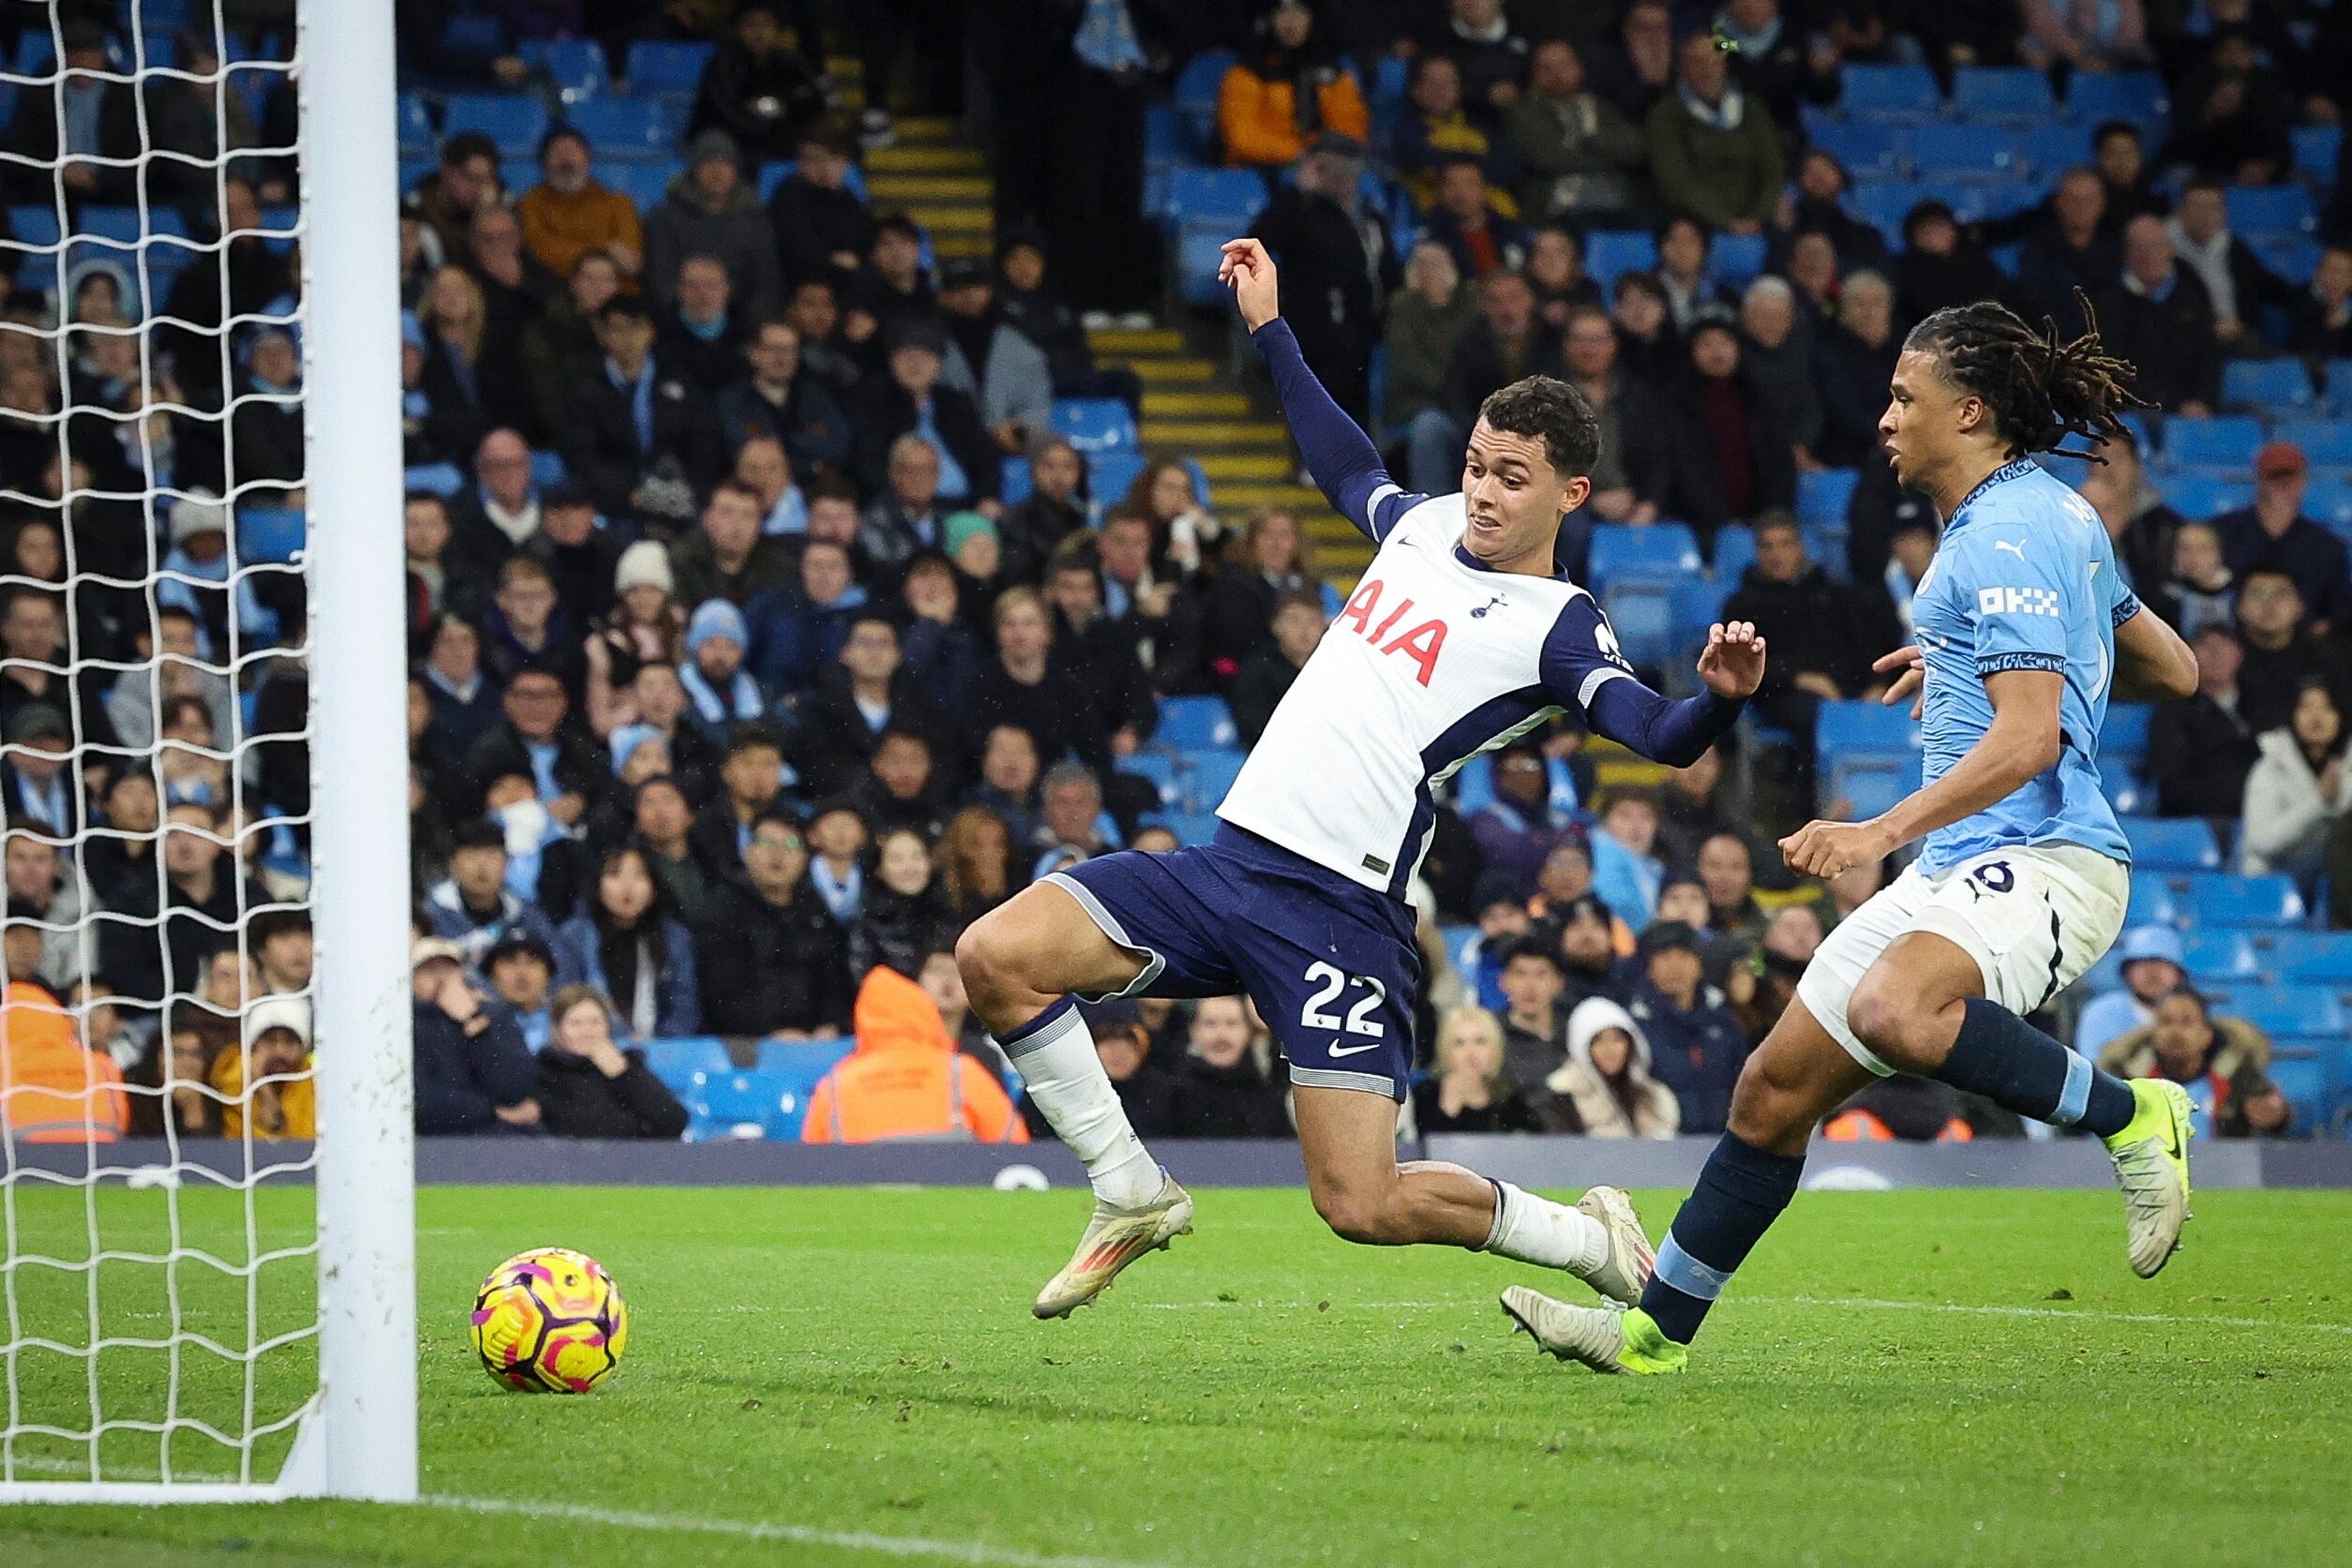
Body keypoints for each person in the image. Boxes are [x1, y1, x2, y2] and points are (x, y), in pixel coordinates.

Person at [955, 235, 1764, 1320]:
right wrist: (1268, 328)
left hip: (1338, 910)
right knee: (995, 954)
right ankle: (1130, 1188)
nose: (1479, 490)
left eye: (1509, 477)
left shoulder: (1560, 628)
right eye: (1475, 462)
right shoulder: (1423, 526)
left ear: (1570, 491)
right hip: (1229, 864)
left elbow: (1658, 734)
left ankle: (1585, 1234)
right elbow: (1341, 462)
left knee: (1361, 1200)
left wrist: (1719, 696)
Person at [1503, 296, 2206, 1376]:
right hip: (1967, 864)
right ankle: (1649, 1333)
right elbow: (2174, 665)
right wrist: (1972, 658)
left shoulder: (2010, 530)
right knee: (1771, 1093)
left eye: (1901, 397)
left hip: (2049, 855)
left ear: (1967, 410)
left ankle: (2133, 1114)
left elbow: (2026, 742)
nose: (1882, 418)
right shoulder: (2044, 515)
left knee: (1896, 1007)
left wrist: (1877, 826)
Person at [802, 963, 1029, 1143]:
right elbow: (1014, 1144)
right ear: (924, 1013)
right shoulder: (961, 1071)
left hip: (862, 1200)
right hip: (952, 1198)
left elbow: (809, 1172)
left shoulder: (834, 1084)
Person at [697, 810, 854, 1038]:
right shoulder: (723, 908)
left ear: (804, 858)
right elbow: (720, 994)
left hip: (812, 1043)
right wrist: (770, 1032)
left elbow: (834, 981)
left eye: (791, 844)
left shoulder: (814, 910)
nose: (778, 854)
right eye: (768, 842)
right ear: (747, 852)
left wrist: (832, 1023)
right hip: (743, 1044)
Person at [553, 846, 702, 1040]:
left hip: (664, 1050)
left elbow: (684, 1005)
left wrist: (662, 1045)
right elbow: (567, 999)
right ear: (598, 884)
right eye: (614, 874)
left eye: (639, 875)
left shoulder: (674, 937)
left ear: (654, 886)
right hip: (592, 1046)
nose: (627, 886)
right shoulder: (574, 935)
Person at [1643, 32, 1782, 236]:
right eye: (1698, 63)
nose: (1708, 71)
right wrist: (1727, 221)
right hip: (1698, 221)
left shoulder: (1751, 109)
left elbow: (1772, 167)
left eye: (1715, 62)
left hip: (1758, 221)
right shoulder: (1665, 116)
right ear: (1682, 70)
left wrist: (1759, 216)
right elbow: (1676, 182)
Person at [2210, 442, 2352, 636]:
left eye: (2290, 477)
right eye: (2274, 477)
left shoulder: (2327, 546)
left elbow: (2338, 611)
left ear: (2304, 481)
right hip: (2233, 644)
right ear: (2259, 480)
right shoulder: (2221, 533)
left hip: (2303, 650)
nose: (2283, 485)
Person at [1215, 1, 1369, 172]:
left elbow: (1349, 128)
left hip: (1324, 170)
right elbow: (1241, 138)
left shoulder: (1335, 75)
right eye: (1282, 11)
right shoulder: (1245, 74)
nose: (1291, 21)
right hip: (1256, 172)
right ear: (1268, 19)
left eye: (1300, 11)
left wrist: (1326, 155)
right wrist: (1297, 153)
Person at [1506, 37, 1644, 226]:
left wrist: (1588, 140)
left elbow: (1635, 147)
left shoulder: (1598, 106)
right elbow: (1549, 159)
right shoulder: (1524, 110)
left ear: (1579, 69)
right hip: (1559, 211)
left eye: (1563, 66)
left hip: (1617, 205)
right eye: (1546, 68)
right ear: (1534, 74)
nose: (1556, 75)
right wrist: (1612, 161)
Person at [411, 936, 540, 1135]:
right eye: (429, 971)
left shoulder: (494, 1016)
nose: (442, 979)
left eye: (448, 970)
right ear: (412, 979)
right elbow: (422, 1103)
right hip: (436, 1145)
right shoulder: (404, 1026)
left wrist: (473, 1023)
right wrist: (491, 1110)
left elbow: (516, 1089)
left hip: (503, 1141)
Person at [532, 985, 690, 1141]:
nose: (587, 1031)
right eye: (575, 1023)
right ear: (557, 1030)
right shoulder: (544, 1072)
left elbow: (674, 1121)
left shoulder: (629, 1069)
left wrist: (624, 1074)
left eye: (595, 1022)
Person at [2239, 679, 2352, 883]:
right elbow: (2262, 843)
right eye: (2306, 707)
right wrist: (2320, 801)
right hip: (2273, 880)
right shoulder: (2269, 769)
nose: (2316, 717)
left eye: (2327, 708)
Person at [1541, 995, 1679, 1139]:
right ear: (1582, 1047)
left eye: (1617, 1039)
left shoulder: (1655, 1097)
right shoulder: (1562, 1097)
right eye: (1598, 1040)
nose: (1609, 1049)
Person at [1165, 995, 1292, 1140]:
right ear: (1193, 1031)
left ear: (1249, 1032)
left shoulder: (1266, 1099)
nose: (1221, 1035)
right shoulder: (1173, 1096)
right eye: (1210, 1024)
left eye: (1231, 1024)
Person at [1412, 1005, 1539, 1134]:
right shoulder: (1425, 1095)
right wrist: (1448, 1109)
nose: (1471, 1053)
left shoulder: (1510, 1100)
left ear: (1495, 1049)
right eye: (1459, 1043)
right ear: (1446, 1051)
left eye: (1480, 1041)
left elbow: (1537, 1144)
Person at [2074, 926, 2187, 1062]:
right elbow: (2097, 1068)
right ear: (2126, 974)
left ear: (2179, 975)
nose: (2152, 972)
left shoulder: (2192, 1014)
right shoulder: (2101, 1012)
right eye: (2141, 964)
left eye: (2162, 963)